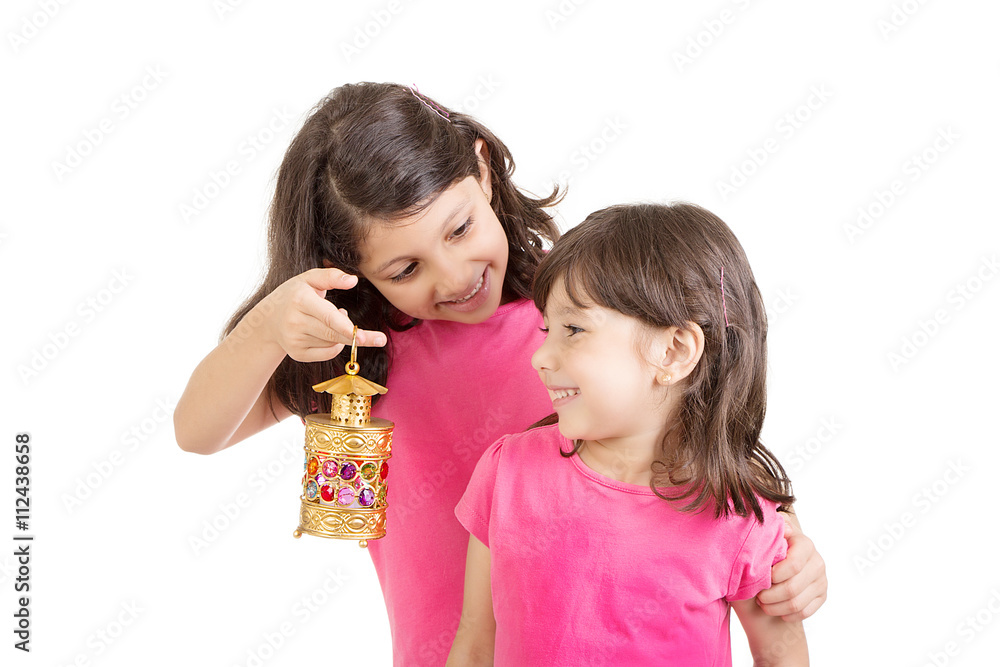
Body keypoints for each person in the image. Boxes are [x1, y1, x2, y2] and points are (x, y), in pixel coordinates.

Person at [174, 82, 824, 666]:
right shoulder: (355, 351)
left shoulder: (583, 313)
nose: (454, 276)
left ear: (482, 168)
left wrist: (787, 546)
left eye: (459, 229)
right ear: (350, 271)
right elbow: (197, 432)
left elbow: (703, 427)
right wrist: (267, 327)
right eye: (406, 269)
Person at [448, 202, 810, 666]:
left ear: (674, 350)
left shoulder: (737, 515)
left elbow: (781, 658)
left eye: (573, 329)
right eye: (547, 329)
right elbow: (475, 643)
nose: (540, 357)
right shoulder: (507, 472)